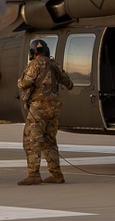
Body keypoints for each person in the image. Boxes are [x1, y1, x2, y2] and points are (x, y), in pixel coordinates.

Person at [16, 39, 73, 185]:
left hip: (39, 107)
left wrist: (22, 81)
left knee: (31, 141)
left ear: (32, 52)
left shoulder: (35, 64)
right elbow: (68, 82)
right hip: (54, 108)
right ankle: (56, 174)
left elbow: (24, 83)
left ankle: (33, 175)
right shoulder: (54, 64)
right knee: (49, 141)